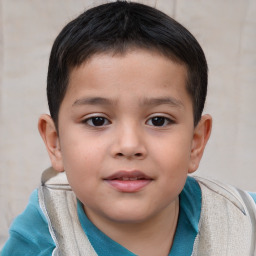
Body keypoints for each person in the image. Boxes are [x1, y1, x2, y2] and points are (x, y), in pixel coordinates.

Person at [1, 1, 256, 255]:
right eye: (97, 120)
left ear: (195, 142)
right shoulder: (40, 239)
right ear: (55, 142)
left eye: (158, 120)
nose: (129, 145)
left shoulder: (246, 224)